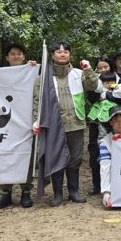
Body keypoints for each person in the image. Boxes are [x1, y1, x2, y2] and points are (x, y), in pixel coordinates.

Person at [34, 41, 100, 206]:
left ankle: (74, 191)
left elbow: (93, 86)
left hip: (76, 122)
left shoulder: (78, 73)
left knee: (75, 158)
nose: (62, 54)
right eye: (58, 51)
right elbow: (36, 100)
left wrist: (89, 70)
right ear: (52, 55)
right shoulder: (44, 77)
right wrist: (36, 120)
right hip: (54, 124)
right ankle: (57, 194)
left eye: (66, 52)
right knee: (56, 156)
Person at [0, 43, 38, 209]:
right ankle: (6, 192)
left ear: (24, 56)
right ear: (7, 57)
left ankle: (26, 191)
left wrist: (33, 68)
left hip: (25, 122)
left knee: (26, 156)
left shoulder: (31, 72)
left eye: (19, 54)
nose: (16, 56)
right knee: (5, 155)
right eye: (12, 54)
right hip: (4, 123)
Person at [85, 57, 112, 195]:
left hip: (112, 122)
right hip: (96, 121)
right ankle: (96, 185)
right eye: (100, 68)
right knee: (94, 151)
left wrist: (106, 94)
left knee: (110, 152)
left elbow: (119, 96)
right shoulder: (93, 81)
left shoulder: (116, 80)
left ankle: (112, 183)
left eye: (105, 67)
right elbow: (91, 97)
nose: (103, 70)